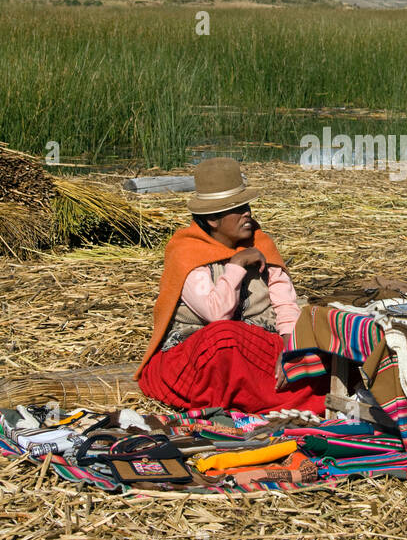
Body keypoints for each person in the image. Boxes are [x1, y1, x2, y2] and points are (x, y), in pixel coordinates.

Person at [134, 157, 326, 416]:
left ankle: (271, 398)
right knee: (225, 339)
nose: (247, 213)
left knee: (325, 333)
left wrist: (290, 350)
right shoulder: (187, 252)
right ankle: (277, 400)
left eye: (246, 206)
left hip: (258, 348)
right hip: (202, 357)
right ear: (213, 220)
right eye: (237, 209)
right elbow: (216, 314)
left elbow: (285, 305)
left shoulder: (261, 243)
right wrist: (236, 266)